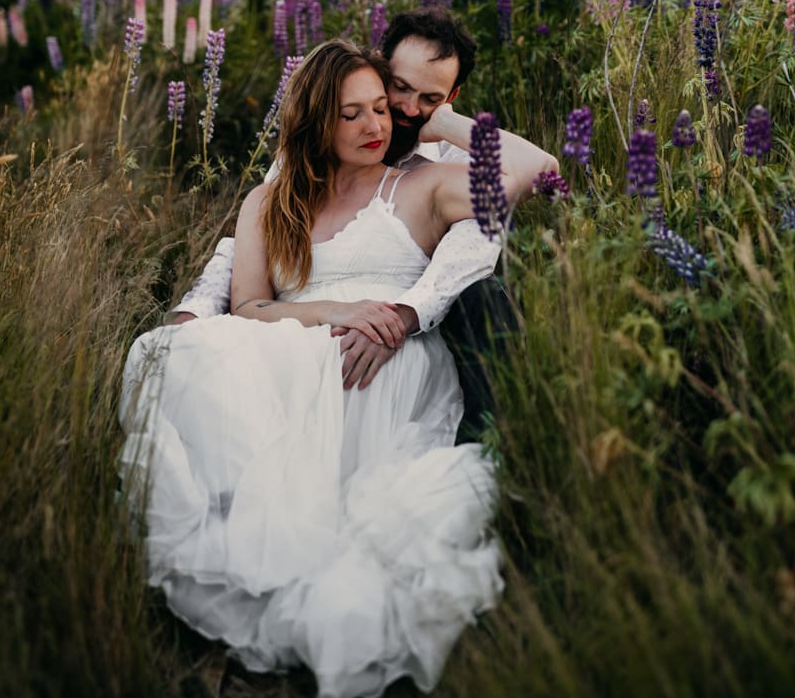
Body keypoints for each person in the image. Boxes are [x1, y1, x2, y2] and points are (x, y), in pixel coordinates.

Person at [119, 39, 558, 697]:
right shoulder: (270, 202)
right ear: (316, 120)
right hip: (296, 351)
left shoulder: (423, 186)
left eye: (382, 107)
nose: (375, 124)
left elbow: (538, 169)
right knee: (166, 353)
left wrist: (440, 121)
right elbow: (249, 307)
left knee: (357, 540)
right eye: (351, 114)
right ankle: (243, 590)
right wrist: (333, 311)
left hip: (386, 367)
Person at [170, 9, 510, 442]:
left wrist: (399, 318)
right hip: (304, 342)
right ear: (380, 69)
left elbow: (471, 253)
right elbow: (252, 241)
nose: (407, 110)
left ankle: (492, 441)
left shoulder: (455, 163)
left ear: (452, 95)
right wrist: (197, 312)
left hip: (410, 341)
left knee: (487, 296)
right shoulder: (301, 164)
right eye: (400, 88)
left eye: (430, 98)